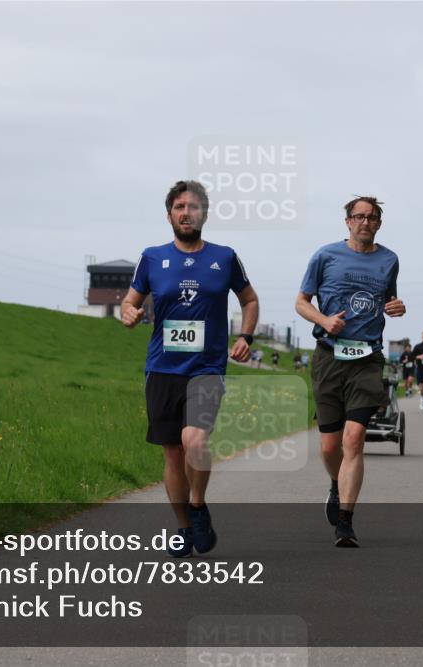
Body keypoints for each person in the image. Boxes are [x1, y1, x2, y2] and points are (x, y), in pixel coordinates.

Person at [121, 180, 259, 557]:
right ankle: (183, 527)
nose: (186, 213)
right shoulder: (152, 258)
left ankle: (197, 506)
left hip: (207, 367)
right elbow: (130, 302)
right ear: (169, 215)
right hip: (163, 368)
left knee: (194, 440)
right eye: (179, 207)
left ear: (204, 214)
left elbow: (249, 298)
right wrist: (129, 312)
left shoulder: (225, 257)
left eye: (193, 207)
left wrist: (246, 336)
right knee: (172, 455)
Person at [296, 195, 406, 547]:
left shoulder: (389, 260)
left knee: (354, 439)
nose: (365, 222)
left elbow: (388, 302)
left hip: (367, 359)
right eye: (359, 216)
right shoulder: (325, 256)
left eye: (372, 217)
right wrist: (324, 320)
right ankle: (335, 484)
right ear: (347, 222)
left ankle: (346, 521)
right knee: (330, 448)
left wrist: (396, 307)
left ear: (379, 223)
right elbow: (301, 303)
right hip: (329, 357)